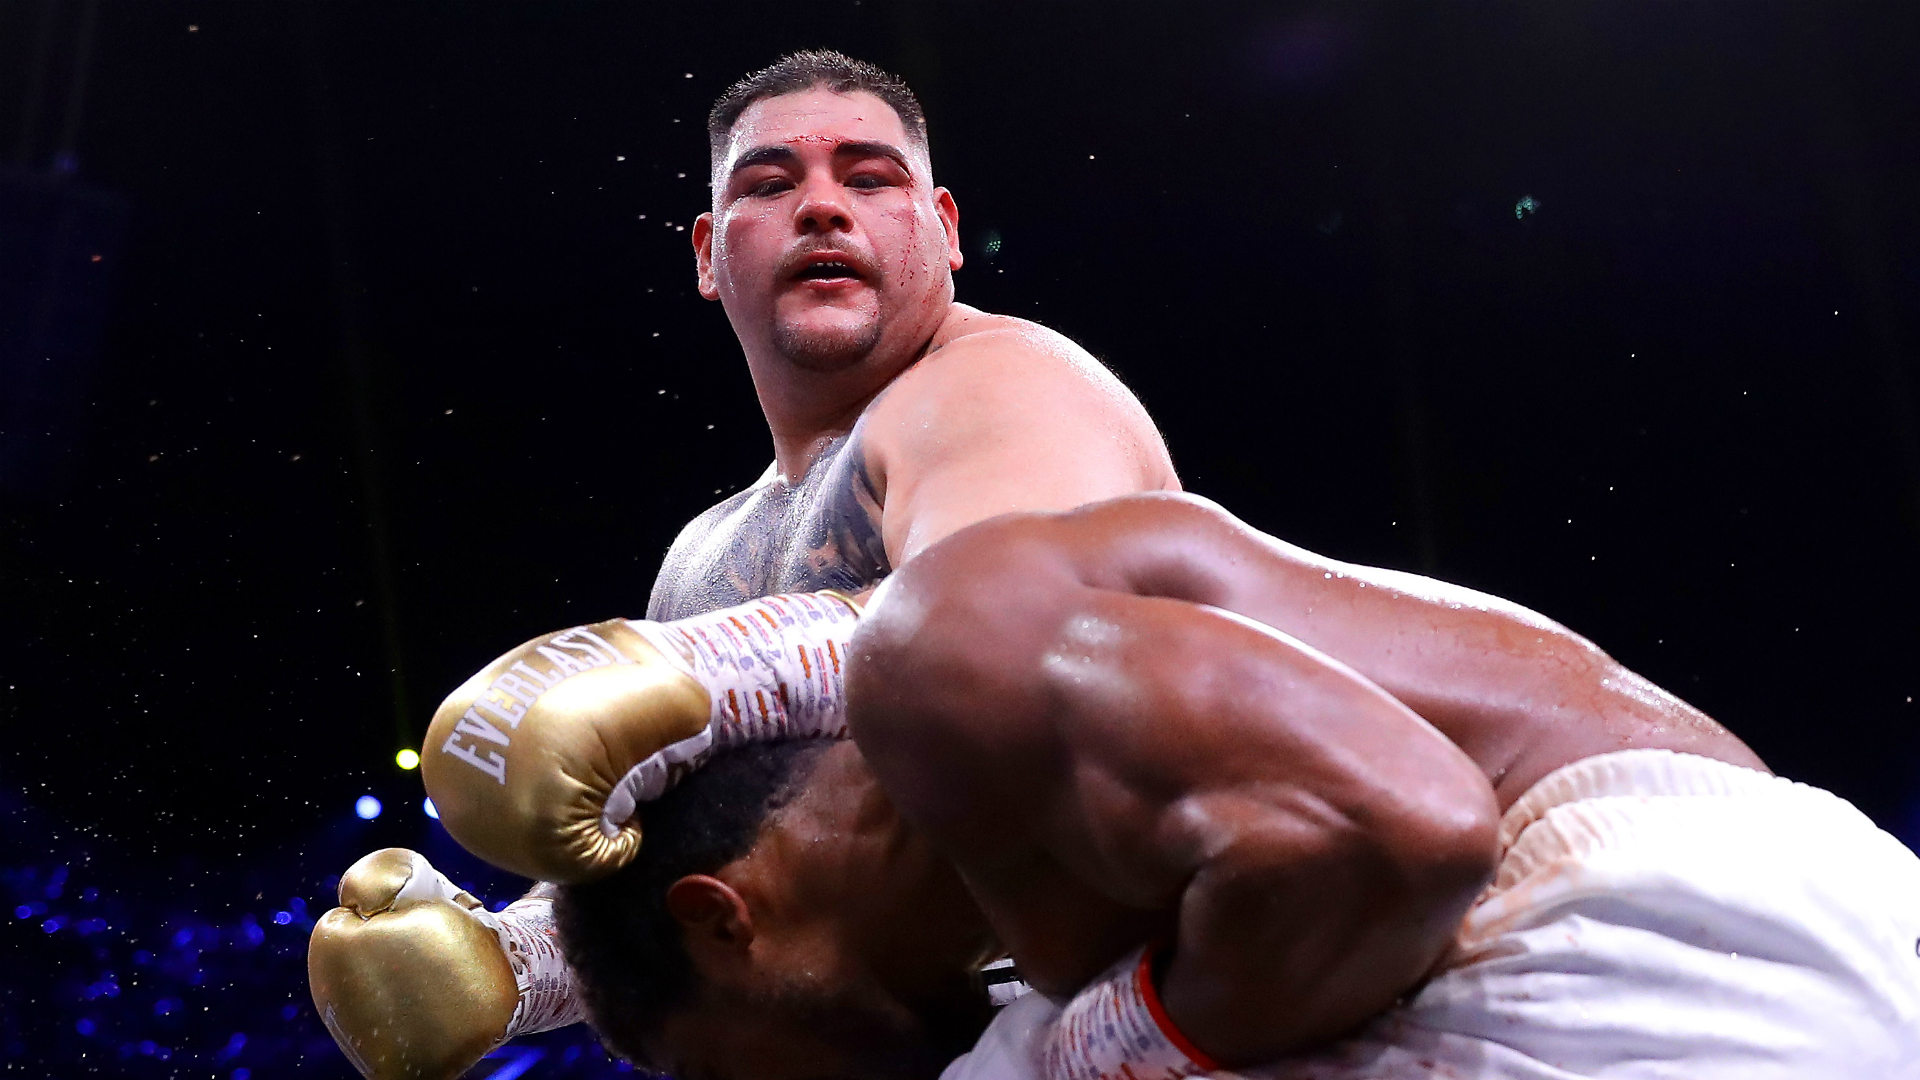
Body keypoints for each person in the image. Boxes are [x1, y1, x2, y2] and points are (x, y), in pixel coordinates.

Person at [308, 50, 1177, 1079]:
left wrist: (696, 674)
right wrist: (509, 964)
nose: (822, 208)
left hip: (1153, 999)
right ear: (711, 255)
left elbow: (996, 637)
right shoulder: (706, 556)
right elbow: (709, 876)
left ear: (943, 233)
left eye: (869, 177)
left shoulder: (1011, 384)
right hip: (885, 1035)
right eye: (770, 183)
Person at [555, 492, 1920, 1080]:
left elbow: (1398, 836)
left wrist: (1105, 1058)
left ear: (723, 918)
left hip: (1626, 961)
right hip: (1782, 928)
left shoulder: (933, 648)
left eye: (714, 1074)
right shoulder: (1077, 779)